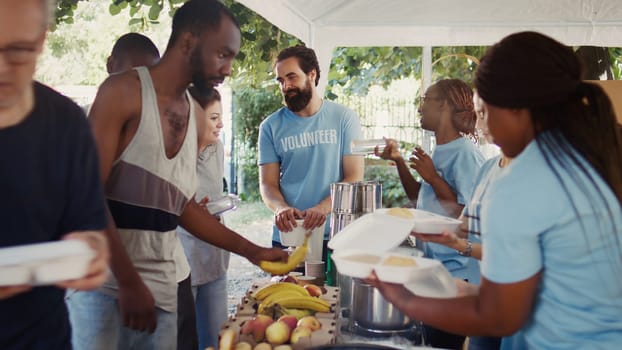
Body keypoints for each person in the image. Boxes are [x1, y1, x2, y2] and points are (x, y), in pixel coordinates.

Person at [368, 31, 622, 350]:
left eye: (483, 110)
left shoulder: (523, 180)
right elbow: (527, 291)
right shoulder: (590, 160)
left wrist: (403, 298)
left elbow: (498, 316)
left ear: (514, 107)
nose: (480, 122)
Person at [66, 1, 287, 349]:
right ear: (188, 42)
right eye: (222, 54)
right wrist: (127, 281)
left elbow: (180, 206)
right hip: (103, 289)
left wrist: (252, 250)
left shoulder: (196, 116)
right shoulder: (122, 93)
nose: (228, 69)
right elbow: (86, 195)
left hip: (161, 292)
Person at [0, 0, 109, 348]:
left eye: (18, 51)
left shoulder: (66, 123)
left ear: (42, 39)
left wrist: (89, 249)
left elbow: (86, 225)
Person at [376, 79, 485, 349]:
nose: (419, 107)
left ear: (444, 105)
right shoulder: (441, 150)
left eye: (425, 99)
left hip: (458, 275)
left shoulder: (466, 154)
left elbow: (469, 219)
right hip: (435, 271)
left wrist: (434, 178)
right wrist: (399, 160)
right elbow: (420, 199)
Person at [258, 45, 364, 266]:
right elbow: (268, 185)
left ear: (312, 74)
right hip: (288, 236)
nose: (286, 86)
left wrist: (322, 208)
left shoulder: (344, 118)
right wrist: (281, 208)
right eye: (281, 81)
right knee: (286, 299)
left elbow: (354, 176)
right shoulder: (270, 126)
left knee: (332, 299)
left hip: (336, 235)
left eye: (291, 77)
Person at [178, 88, 230, 350]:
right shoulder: (175, 152)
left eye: (221, 117)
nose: (221, 124)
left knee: (217, 337)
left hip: (214, 252)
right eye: (213, 118)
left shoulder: (217, 147)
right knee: (186, 337)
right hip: (184, 255)